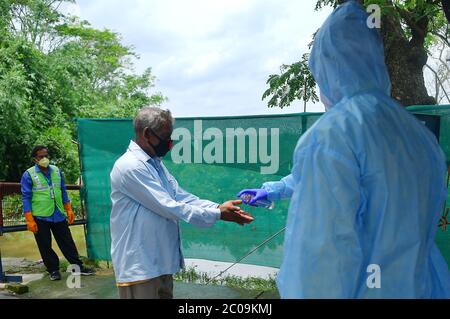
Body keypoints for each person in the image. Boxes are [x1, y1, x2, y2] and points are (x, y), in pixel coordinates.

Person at [238, 0, 450, 298]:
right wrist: (274, 189)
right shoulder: (418, 135)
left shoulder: (331, 134)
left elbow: (319, 261)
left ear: (327, 67)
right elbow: (372, 181)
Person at [110, 107, 254, 299]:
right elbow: (168, 206)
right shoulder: (130, 166)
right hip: (139, 266)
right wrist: (219, 215)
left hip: (160, 263)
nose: (169, 143)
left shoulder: (156, 164)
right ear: (147, 134)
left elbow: (181, 196)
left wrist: (217, 207)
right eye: (165, 136)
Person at [21, 145, 95, 281]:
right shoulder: (28, 174)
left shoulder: (56, 171)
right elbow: (26, 197)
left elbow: (63, 190)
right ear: (35, 159)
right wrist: (29, 219)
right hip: (40, 215)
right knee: (45, 245)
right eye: (41, 156)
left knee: (67, 242)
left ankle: (77, 267)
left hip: (58, 213)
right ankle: (53, 270)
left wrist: (68, 209)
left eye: (46, 155)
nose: (44, 159)